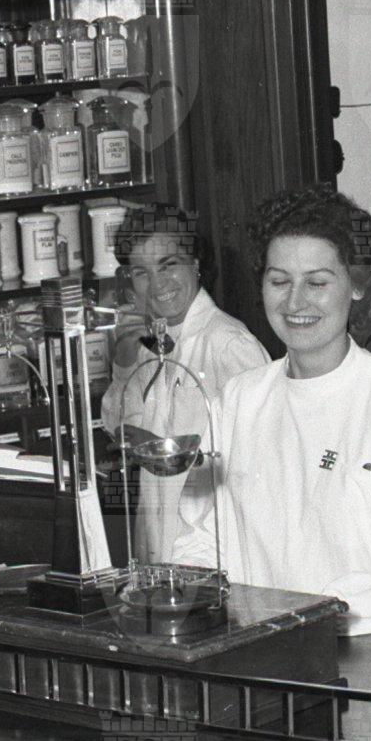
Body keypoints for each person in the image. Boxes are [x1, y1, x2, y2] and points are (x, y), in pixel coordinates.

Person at [175, 186, 371, 634]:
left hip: (368, 653)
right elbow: (201, 537)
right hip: (256, 650)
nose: (295, 302)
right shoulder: (237, 402)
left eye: (317, 283)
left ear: (356, 285)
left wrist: (327, 614)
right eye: (279, 281)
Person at [99, 203, 268, 563]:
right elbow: (119, 430)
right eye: (142, 272)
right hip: (158, 551)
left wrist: (202, 549)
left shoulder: (228, 344)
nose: (157, 284)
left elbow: (262, 462)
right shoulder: (149, 343)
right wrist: (124, 360)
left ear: (196, 263)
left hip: (212, 555)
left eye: (168, 265)